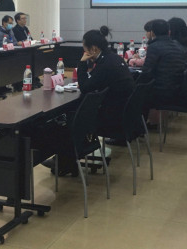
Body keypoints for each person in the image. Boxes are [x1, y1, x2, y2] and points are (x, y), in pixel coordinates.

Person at [36, 30, 135, 176]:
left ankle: (65, 163)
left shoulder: (106, 64)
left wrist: (82, 63)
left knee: (69, 122)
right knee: (74, 115)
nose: (84, 52)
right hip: (124, 113)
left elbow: (86, 87)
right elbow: (93, 81)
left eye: (85, 48)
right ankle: (66, 161)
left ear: (93, 49)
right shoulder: (113, 58)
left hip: (112, 118)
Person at [140, 19, 187, 108]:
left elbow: (146, 72)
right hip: (177, 89)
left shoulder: (154, 47)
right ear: (169, 32)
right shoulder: (178, 46)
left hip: (160, 91)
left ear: (152, 32)